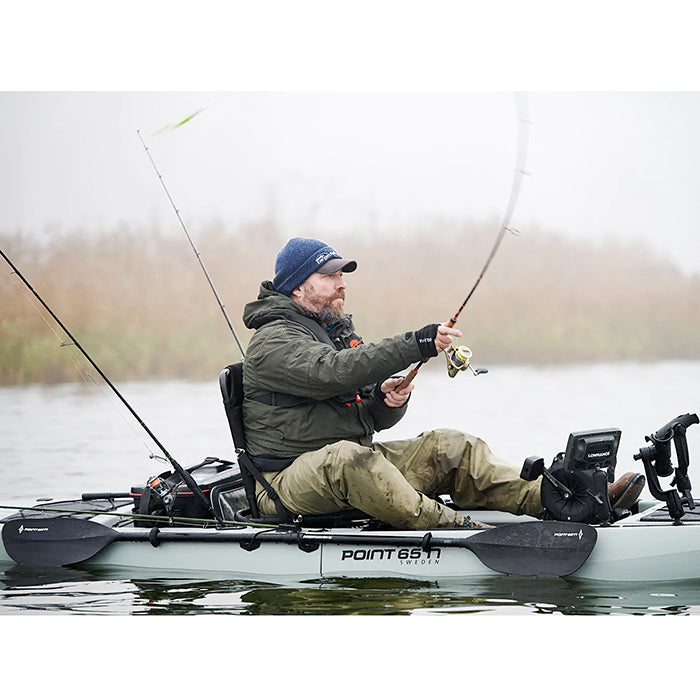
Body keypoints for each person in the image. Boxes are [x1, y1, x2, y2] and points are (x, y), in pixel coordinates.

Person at [241, 237, 644, 529]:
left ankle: (561, 500)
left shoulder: (325, 331)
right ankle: (460, 528)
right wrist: (416, 343)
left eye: (342, 275)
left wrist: (384, 404)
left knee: (450, 447)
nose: (342, 284)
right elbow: (335, 371)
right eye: (329, 276)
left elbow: (365, 419)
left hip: (348, 465)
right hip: (284, 485)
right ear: (298, 286)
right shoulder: (274, 340)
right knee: (351, 457)